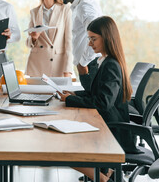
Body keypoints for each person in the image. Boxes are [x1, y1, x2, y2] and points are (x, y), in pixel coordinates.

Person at [58, 16, 139, 182]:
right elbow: (98, 94)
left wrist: (70, 100)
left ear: (107, 38)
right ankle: (105, 175)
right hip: (107, 126)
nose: (89, 43)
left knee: (64, 147)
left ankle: (103, 179)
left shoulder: (111, 65)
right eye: (89, 39)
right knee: (65, 141)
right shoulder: (106, 61)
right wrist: (74, 95)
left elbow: (102, 103)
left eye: (93, 39)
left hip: (113, 132)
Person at [59, 0, 103, 90]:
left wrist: (83, 63)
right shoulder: (82, 4)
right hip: (89, 64)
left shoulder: (84, 6)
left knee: (91, 106)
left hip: (90, 65)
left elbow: (97, 34)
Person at [25, 0, 73, 77]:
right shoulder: (34, 12)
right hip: (36, 66)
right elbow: (28, 43)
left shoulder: (65, 9)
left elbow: (69, 42)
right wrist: (33, 38)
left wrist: (68, 70)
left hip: (57, 65)